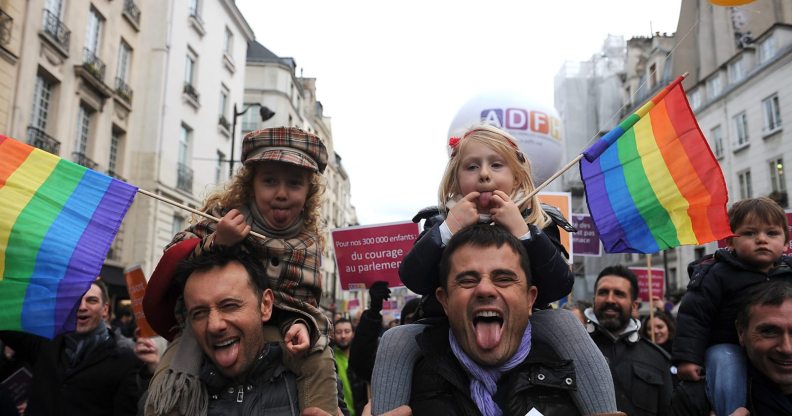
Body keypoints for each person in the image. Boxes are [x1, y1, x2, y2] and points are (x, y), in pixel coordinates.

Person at [372, 124, 616, 415]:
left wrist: (525, 233)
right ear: (454, 180)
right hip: (444, 323)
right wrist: (448, 229)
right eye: (472, 166)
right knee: (395, 340)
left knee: (566, 324)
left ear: (516, 176)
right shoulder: (440, 222)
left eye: (496, 165)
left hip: (527, 321)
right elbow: (413, 277)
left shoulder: (538, 221)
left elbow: (559, 284)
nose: (484, 174)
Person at [144, 127, 337, 415]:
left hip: (272, 332)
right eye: (270, 181)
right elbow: (175, 258)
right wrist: (215, 242)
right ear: (252, 185)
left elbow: (305, 304)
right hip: (203, 332)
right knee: (173, 373)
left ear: (309, 192)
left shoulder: (308, 244)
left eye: (295, 184)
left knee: (318, 356)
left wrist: (301, 325)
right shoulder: (225, 219)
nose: (282, 194)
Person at [407, 224, 583, 415]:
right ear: (445, 301)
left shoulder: (578, 388)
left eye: (504, 279)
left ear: (529, 299)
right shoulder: (407, 390)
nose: (485, 290)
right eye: (467, 280)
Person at [143, 240, 305, 415]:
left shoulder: (310, 385)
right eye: (199, 313)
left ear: (265, 305)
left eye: (229, 306)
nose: (214, 325)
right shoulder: (166, 401)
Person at [673, 197, 792, 416]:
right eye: (749, 233)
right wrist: (688, 358)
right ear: (729, 242)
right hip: (727, 346)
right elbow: (694, 317)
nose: (761, 240)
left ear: (786, 243)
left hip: (771, 356)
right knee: (724, 360)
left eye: (772, 233)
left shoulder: (789, 272)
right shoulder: (716, 273)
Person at [0, 280, 145, 415]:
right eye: (75, 301)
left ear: (105, 310)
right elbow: (5, 324)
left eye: (91, 300)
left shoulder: (125, 360)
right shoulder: (45, 342)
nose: (81, 307)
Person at [584, 265, 672, 416]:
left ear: (634, 305)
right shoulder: (570, 350)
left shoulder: (658, 359)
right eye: (603, 292)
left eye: (619, 294)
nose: (610, 299)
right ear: (594, 300)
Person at [334, 318, 366, 416]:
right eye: (339, 332)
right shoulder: (329, 357)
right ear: (333, 334)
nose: (343, 336)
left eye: (347, 331)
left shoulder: (361, 356)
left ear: (353, 333)